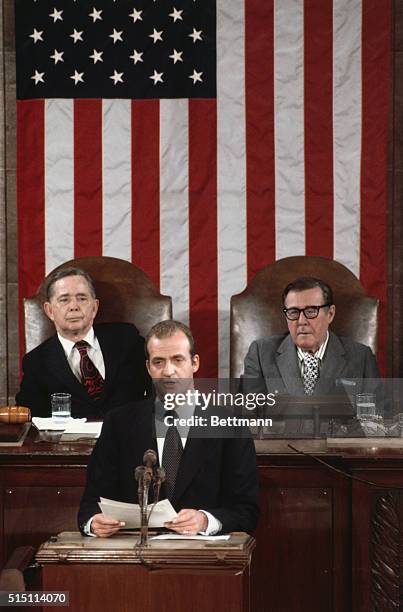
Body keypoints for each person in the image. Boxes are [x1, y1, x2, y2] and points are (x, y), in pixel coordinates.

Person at [78, 320, 259, 537]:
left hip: (202, 557)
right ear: (148, 367)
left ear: (195, 363)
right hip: (133, 553)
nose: (168, 371)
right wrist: (93, 522)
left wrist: (204, 521)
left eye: (177, 360)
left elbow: (247, 511)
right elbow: (91, 503)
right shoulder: (119, 422)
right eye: (158, 362)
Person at [241, 277, 385, 429]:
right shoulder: (260, 353)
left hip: (337, 450)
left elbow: (379, 419)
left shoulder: (361, 357)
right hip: (280, 451)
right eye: (293, 312)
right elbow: (247, 417)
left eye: (311, 311)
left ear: (330, 314)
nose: (301, 321)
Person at [16, 267, 150, 418]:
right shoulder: (36, 362)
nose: (74, 307)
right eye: (64, 300)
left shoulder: (126, 338)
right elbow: (30, 418)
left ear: (94, 307)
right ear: (49, 311)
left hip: (129, 437)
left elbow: (158, 388)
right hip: (69, 441)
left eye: (82, 298)